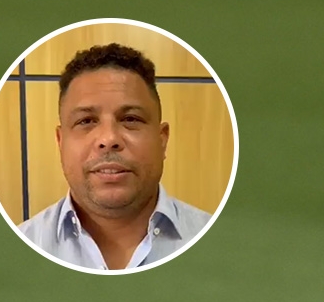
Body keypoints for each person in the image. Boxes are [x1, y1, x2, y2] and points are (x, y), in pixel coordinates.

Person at [18, 43, 213, 271]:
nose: (109, 138)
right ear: (61, 142)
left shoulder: (222, 245)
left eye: (130, 119)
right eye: (86, 121)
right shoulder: (18, 249)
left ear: (162, 139)